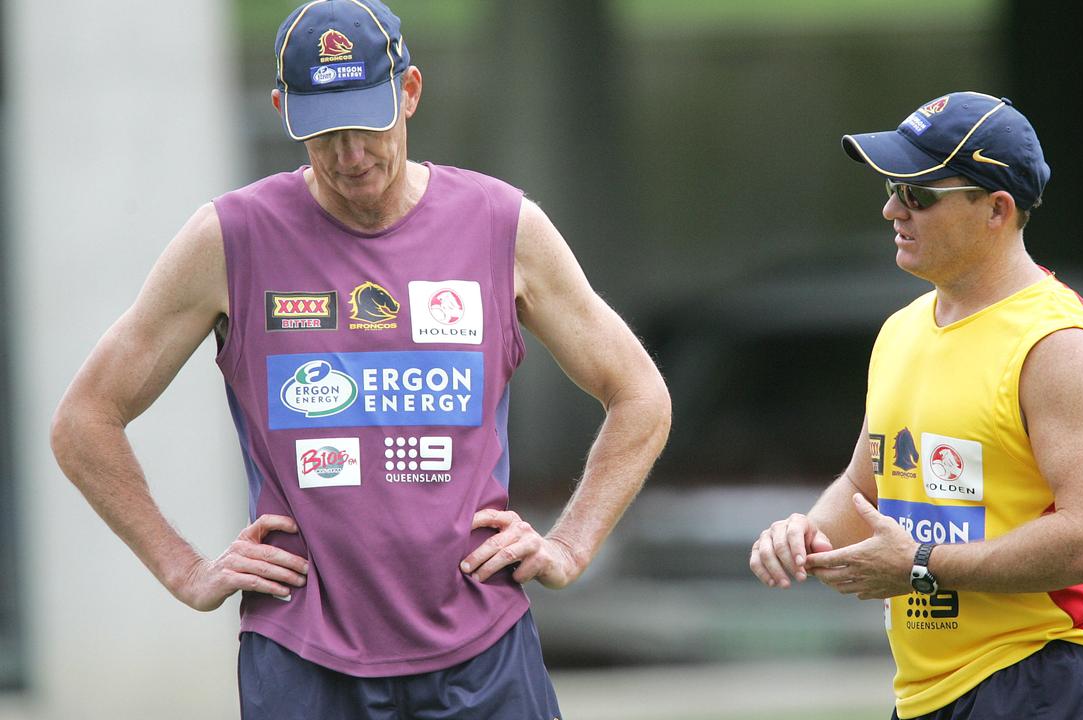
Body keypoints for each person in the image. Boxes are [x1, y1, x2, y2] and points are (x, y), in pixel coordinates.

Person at [49, 1, 671, 718]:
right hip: (303, 661)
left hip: (483, 653)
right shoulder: (231, 239)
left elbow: (640, 395)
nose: (350, 154)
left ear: (409, 92)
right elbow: (85, 420)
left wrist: (570, 543)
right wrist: (184, 569)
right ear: (283, 109)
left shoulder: (504, 227)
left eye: (367, 123)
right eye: (324, 130)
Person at [748, 91, 1083, 719]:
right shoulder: (901, 330)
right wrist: (806, 534)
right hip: (927, 694)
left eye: (918, 194)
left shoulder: (1061, 345)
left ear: (997, 209)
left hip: (1040, 680)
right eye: (891, 187)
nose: (891, 209)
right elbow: (865, 483)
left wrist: (922, 567)